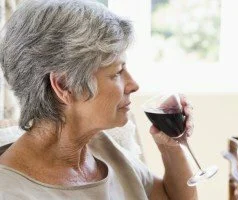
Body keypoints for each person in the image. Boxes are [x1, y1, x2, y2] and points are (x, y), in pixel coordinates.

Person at [0, 0, 197, 199]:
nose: (133, 85)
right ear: (64, 85)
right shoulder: (10, 192)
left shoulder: (102, 147)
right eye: (117, 72)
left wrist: (169, 146)